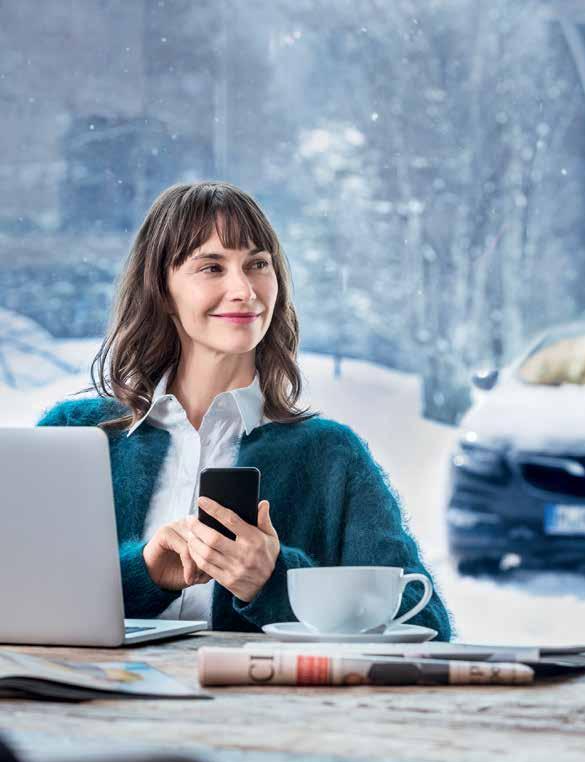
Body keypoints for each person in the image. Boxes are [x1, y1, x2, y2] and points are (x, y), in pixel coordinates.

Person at [36, 181, 453, 638]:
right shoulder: (74, 436)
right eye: (212, 267)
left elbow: (426, 624)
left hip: (260, 708)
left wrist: (271, 583)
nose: (244, 290)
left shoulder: (331, 455)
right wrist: (145, 573)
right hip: (91, 705)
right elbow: (22, 591)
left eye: (257, 265)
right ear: (161, 288)